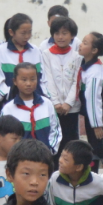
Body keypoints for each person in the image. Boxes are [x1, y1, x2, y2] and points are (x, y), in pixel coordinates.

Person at [40, 16, 82, 159]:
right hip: (54, 107)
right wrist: (56, 102)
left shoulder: (77, 56)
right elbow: (48, 79)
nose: (60, 37)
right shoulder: (46, 55)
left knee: (71, 141)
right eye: (57, 33)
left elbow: (77, 81)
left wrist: (68, 103)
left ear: (72, 35)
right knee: (54, 140)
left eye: (65, 33)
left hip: (71, 107)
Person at [0, 63, 62, 154]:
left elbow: (55, 130)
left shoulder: (47, 104)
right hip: (19, 159)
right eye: (24, 80)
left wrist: (49, 150)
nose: (28, 84)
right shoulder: (8, 109)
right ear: (15, 81)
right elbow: (2, 135)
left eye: (33, 79)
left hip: (43, 157)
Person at [77, 32, 103, 174]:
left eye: (85, 43)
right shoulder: (85, 65)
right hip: (92, 114)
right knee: (93, 145)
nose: (80, 44)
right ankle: (93, 173)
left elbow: (93, 99)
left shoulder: (94, 71)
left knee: (98, 146)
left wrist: (97, 124)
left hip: (97, 114)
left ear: (94, 51)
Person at [0, 14, 47, 102]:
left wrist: (43, 96)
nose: (27, 36)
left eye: (29, 32)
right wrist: (11, 96)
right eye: (23, 33)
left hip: (35, 100)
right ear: (11, 32)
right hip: (11, 101)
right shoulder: (0, 51)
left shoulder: (36, 51)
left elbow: (43, 79)